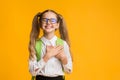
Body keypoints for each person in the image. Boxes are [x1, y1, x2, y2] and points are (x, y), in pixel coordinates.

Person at [28, 9, 73, 80]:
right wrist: (48, 56)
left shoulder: (63, 44)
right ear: (40, 24)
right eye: (44, 20)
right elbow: (32, 71)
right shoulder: (35, 44)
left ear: (57, 25)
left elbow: (69, 70)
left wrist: (63, 58)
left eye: (52, 20)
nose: (48, 22)